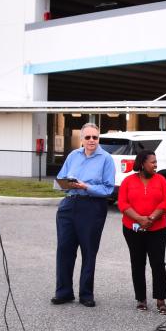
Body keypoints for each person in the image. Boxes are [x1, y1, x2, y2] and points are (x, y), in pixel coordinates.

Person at [52, 123, 116, 308]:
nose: (91, 141)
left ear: (98, 139)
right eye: (87, 137)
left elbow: (108, 188)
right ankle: (63, 292)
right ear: (81, 139)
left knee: (88, 251)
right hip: (69, 204)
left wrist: (85, 186)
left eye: (95, 137)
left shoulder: (106, 159)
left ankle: (86, 293)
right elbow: (59, 180)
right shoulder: (73, 155)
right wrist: (68, 184)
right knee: (64, 249)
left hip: (92, 206)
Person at [117, 150, 166, 314]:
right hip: (132, 229)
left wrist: (152, 218)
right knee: (137, 263)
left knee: (158, 263)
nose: (156, 165)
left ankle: (160, 300)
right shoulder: (128, 181)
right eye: (152, 162)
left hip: (157, 229)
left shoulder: (161, 180)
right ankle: (141, 299)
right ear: (142, 164)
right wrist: (140, 219)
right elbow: (122, 203)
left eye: (156, 162)